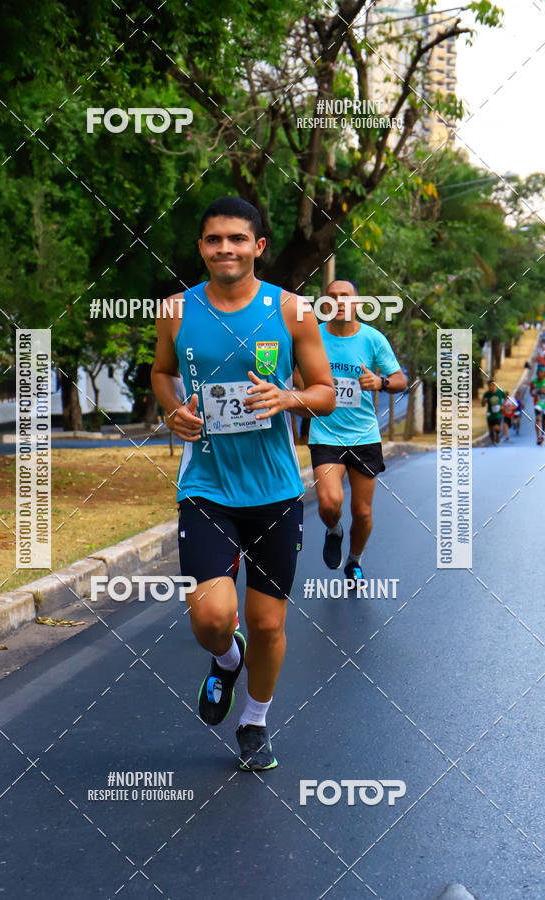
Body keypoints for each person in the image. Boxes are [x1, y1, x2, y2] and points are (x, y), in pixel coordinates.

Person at [151, 196, 335, 771]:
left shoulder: (293, 311)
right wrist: (171, 410)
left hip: (277, 492)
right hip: (206, 487)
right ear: (201, 248)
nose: (224, 249)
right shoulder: (176, 310)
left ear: (258, 247)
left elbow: (326, 391)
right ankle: (227, 659)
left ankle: (254, 722)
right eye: (213, 240)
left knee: (269, 622)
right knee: (211, 617)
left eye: (236, 239)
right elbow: (161, 373)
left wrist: (290, 396)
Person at [297, 280, 407, 583]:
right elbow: (295, 374)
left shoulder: (373, 339)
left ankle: (355, 561)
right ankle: (334, 530)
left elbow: (400, 380)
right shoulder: (313, 335)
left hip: (364, 436)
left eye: (345, 296)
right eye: (332, 297)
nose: (339, 301)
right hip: (326, 435)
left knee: (362, 512)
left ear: (357, 303)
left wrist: (380, 383)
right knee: (330, 503)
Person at [481, 379, 506, 445]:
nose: (490, 387)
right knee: (491, 430)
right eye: (489, 386)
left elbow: (506, 398)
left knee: (497, 428)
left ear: (494, 385)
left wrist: (503, 406)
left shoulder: (500, 392)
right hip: (490, 414)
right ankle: (494, 442)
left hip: (498, 414)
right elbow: (482, 405)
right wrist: (484, 401)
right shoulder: (487, 394)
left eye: (491, 386)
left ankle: (498, 435)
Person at [529, 364, 545, 445]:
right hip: (537, 402)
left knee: (544, 420)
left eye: (541, 372)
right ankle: (538, 437)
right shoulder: (533, 382)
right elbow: (531, 391)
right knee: (538, 418)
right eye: (538, 372)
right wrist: (533, 393)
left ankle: (543, 435)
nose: (539, 374)